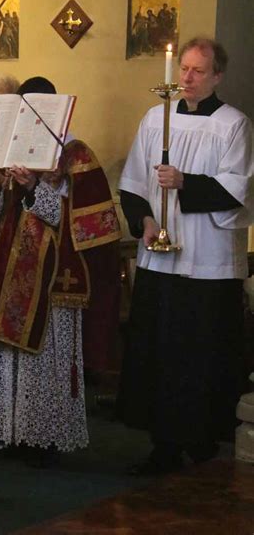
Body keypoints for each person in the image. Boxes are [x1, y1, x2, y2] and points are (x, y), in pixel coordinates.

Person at [117, 37, 253, 475]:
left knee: (200, 354)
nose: (187, 78)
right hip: (161, 259)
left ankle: (201, 441)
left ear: (217, 76)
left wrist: (185, 182)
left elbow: (239, 188)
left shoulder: (233, 125)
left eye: (198, 71)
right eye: (184, 69)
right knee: (160, 351)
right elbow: (134, 183)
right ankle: (163, 444)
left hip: (207, 262)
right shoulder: (156, 119)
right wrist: (145, 224)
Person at [0, 77, 121, 465]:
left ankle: (45, 439)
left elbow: (78, 224)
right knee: (8, 356)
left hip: (54, 272)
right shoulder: (16, 149)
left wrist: (36, 185)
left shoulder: (76, 155)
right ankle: (8, 436)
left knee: (47, 357)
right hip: (14, 268)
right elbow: (2, 214)